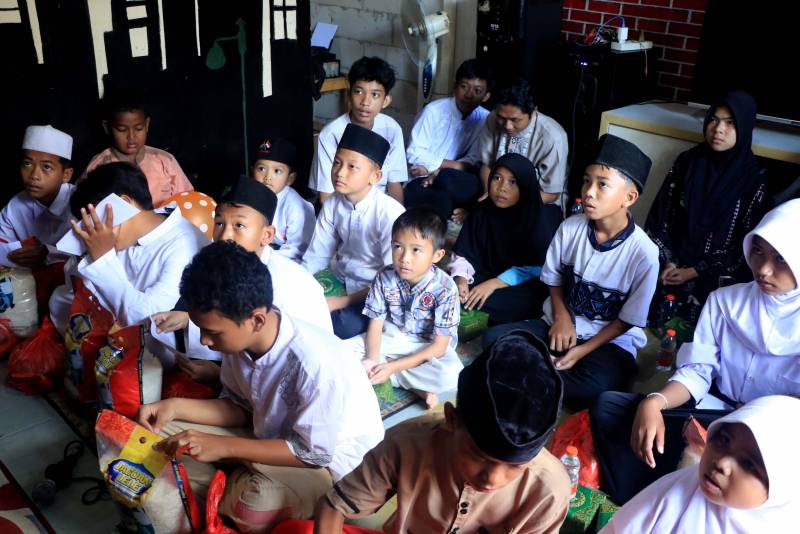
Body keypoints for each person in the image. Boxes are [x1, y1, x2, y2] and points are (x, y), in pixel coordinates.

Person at [138, 241, 384, 533]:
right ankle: (224, 484)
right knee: (154, 432)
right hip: (266, 437)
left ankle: (221, 484)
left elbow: (313, 454)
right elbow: (240, 407)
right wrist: (174, 407)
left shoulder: (314, 364)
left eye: (211, 332)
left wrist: (223, 446)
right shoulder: (240, 340)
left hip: (329, 469)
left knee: (252, 504)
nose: (203, 341)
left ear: (256, 320)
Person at [590, 198, 800, 505]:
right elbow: (698, 371)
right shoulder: (725, 302)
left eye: (781, 258)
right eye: (758, 252)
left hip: (767, 439)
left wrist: (750, 423)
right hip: (711, 411)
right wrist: (655, 401)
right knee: (610, 407)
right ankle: (645, 497)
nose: (764, 270)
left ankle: (674, 490)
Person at [273, 329, 569, 534]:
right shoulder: (408, 442)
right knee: (293, 530)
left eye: (515, 466)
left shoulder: (549, 490)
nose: (493, 479)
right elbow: (333, 506)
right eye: (479, 456)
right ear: (451, 419)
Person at [483, 135, 659, 410]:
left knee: (595, 390)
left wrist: (582, 350)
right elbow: (553, 279)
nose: (589, 192)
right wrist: (562, 318)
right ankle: (546, 377)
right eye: (587, 181)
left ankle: (536, 377)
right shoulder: (570, 227)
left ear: (629, 197)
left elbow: (626, 321)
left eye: (602, 185)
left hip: (608, 341)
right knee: (493, 340)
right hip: (559, 326)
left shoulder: (644, 253)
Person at [151, 176, 332, 380]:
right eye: (219, 223)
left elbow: (284, 363)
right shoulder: (224, 266)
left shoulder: (289, 285)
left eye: (239, 225)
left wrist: (219, 375)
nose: (225, 235)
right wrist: (188, 321)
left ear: (267, 235)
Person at [645, 90, 771, 315]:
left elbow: (747, 245)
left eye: (730, 123)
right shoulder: (688, 162)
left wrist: (695, 271)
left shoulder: (753, 180)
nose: (718, 129)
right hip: (671, 267)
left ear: (744, 127)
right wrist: (669, 262)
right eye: (713, 119)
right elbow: (661, 216)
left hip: (717, 278)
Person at [599, 395, 800, 534]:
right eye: (724, 440)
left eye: (749, 464)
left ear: (782, 489)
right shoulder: (684, 486)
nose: (721, 463)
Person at [58, 162, 208, 336]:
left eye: (94, 221)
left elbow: (148, 319)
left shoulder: (184, 245)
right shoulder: (128, 233)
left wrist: (102, 260)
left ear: (123, 204)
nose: (93, 232)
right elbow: (81, 293)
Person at [343, 208, 462, 409]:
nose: (404, 258)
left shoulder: (446, 288)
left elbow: (439, 347)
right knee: (342, 351)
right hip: (395, 336)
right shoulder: (385, 276)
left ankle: (391, 374)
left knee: (452, 375)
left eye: (416, 250)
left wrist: (391, 367)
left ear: (437, 255)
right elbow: (375, 326)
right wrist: (371, 359)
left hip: (427, 346)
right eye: (398, 246)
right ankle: (412, 384)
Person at [302, 124, 405, 339]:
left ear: (375, 176)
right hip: (341, 279)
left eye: (352, 167)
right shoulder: (332, 204)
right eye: (337, 162)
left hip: (376, 291)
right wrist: (300, 282)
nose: (340, 172)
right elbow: (316, 256)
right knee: (296, 302)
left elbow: (393, 280)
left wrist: (340, 302)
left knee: (341, 325)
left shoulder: (390, 214)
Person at [449, 153, 562, 325]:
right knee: (449, 288)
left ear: (525, 186)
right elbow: (464, 252)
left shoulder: (536, 219)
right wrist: (461, 280)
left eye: (513, 182)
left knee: (528, 300)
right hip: (484, 273)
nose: (502, 188)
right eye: (497, 178)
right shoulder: (481, 211)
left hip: (520, 284)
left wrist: (494, 283)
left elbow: (537, 268)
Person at [309, 56, 407, 204]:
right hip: (342, 205)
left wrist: (399, 216)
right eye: (359, 92)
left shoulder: (392, 129)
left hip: (380, 205)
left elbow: (394, 184)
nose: (365, 102)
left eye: (375, 95)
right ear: (349, 94)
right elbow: (326, 195)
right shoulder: (330, 134)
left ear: (385, 101)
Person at [404, 59, 491, 223]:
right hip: (423, 178)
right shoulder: (434, 111)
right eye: (464, 87)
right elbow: (413, 153)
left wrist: (441, 171)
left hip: (453, 179)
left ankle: (456, 206)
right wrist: (447, 168)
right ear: (454, 87)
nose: (469, 95)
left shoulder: (486, 119)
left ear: (486, 95)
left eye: (477, 90)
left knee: (465, 185)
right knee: (439, 201)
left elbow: (475, 159)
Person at [82, 88, 193, 207]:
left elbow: (188, 200)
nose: (131, 137)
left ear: (147, 124)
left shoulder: (165, 160)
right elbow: (84, 207)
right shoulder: (99, 166)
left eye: (139, 128)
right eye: (122, 130)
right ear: (107, 127)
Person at [473, 79, 568, 215]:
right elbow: (487, 165)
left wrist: (509, 203)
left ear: (534, 111)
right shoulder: (492, 119)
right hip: (496, 191)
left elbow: (551, 193)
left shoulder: (553, 137)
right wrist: (489, 193)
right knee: (450, 180)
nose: (507, 126)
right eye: (501, 117)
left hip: (535, 201)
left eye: (515, 120)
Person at [0, 125, 74, 268]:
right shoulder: (15, 205)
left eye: (46, 167)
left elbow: (91, 253)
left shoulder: (82, 204)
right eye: (27, 164)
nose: (34, 175)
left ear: (66, 174)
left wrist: (49, 254)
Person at [251, 137, 315, 261]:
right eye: (261, 169)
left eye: (277, 171)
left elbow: (298, 249)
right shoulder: (251, 196)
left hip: (289, 259)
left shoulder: (296, 207)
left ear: (290, 179)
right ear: (252, 171)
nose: (267, 177)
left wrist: (264, 258)